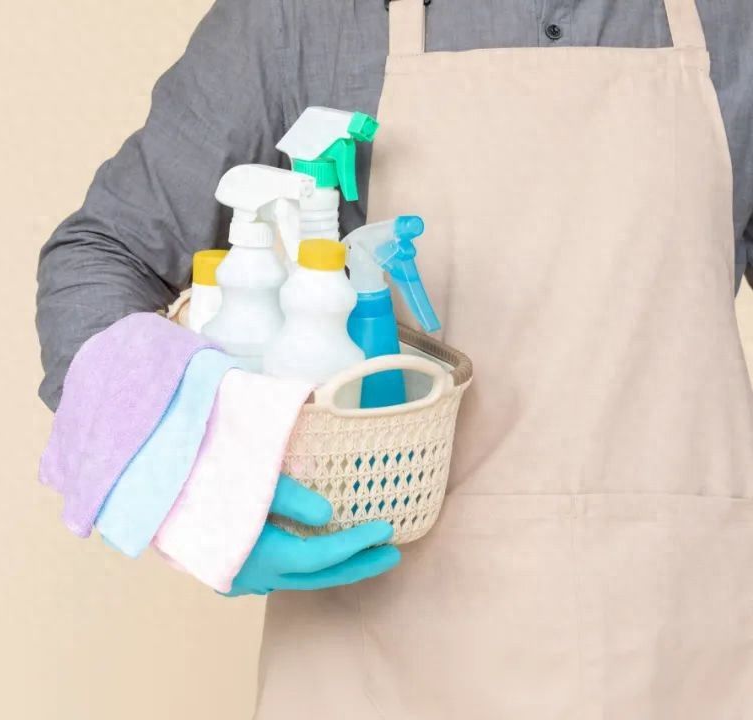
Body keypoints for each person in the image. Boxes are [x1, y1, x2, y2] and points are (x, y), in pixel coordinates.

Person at [37, 0, 753, 716]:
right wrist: (193, 474)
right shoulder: (302, 21)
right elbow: (102, 256)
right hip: (379, 652)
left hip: (679, 651)